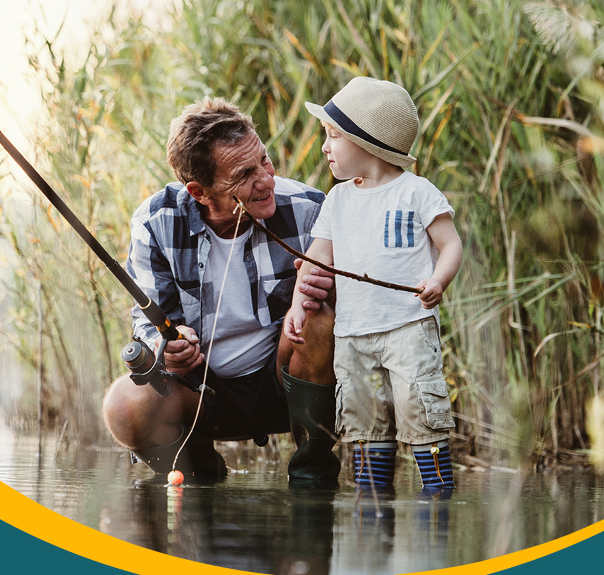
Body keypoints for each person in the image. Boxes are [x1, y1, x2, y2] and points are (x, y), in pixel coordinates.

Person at [102, 97, 341, 483]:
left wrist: (329, 289)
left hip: (282, 382)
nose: (266, 180)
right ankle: (198, 476)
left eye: (264, 160)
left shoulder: (310, 208)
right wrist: (168, 347)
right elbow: (146, 322)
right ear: (199, 191)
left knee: (320, 317)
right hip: (199, 391)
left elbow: (346, 313)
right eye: (244, 175)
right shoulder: (155, 221)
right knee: (123, 405)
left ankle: (313, 478)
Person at [284, 77, 463, 489]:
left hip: (408, 329)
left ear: (365, 141)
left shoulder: (417, 192)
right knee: (365, 424)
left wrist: (438, 280)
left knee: (420, 414)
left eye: (333, 136)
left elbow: (450, 245)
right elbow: (315, 260)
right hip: (353, 335)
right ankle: (372, 511)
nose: (325, 147)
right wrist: (297, 305)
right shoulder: (338, 199)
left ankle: (437, 503)